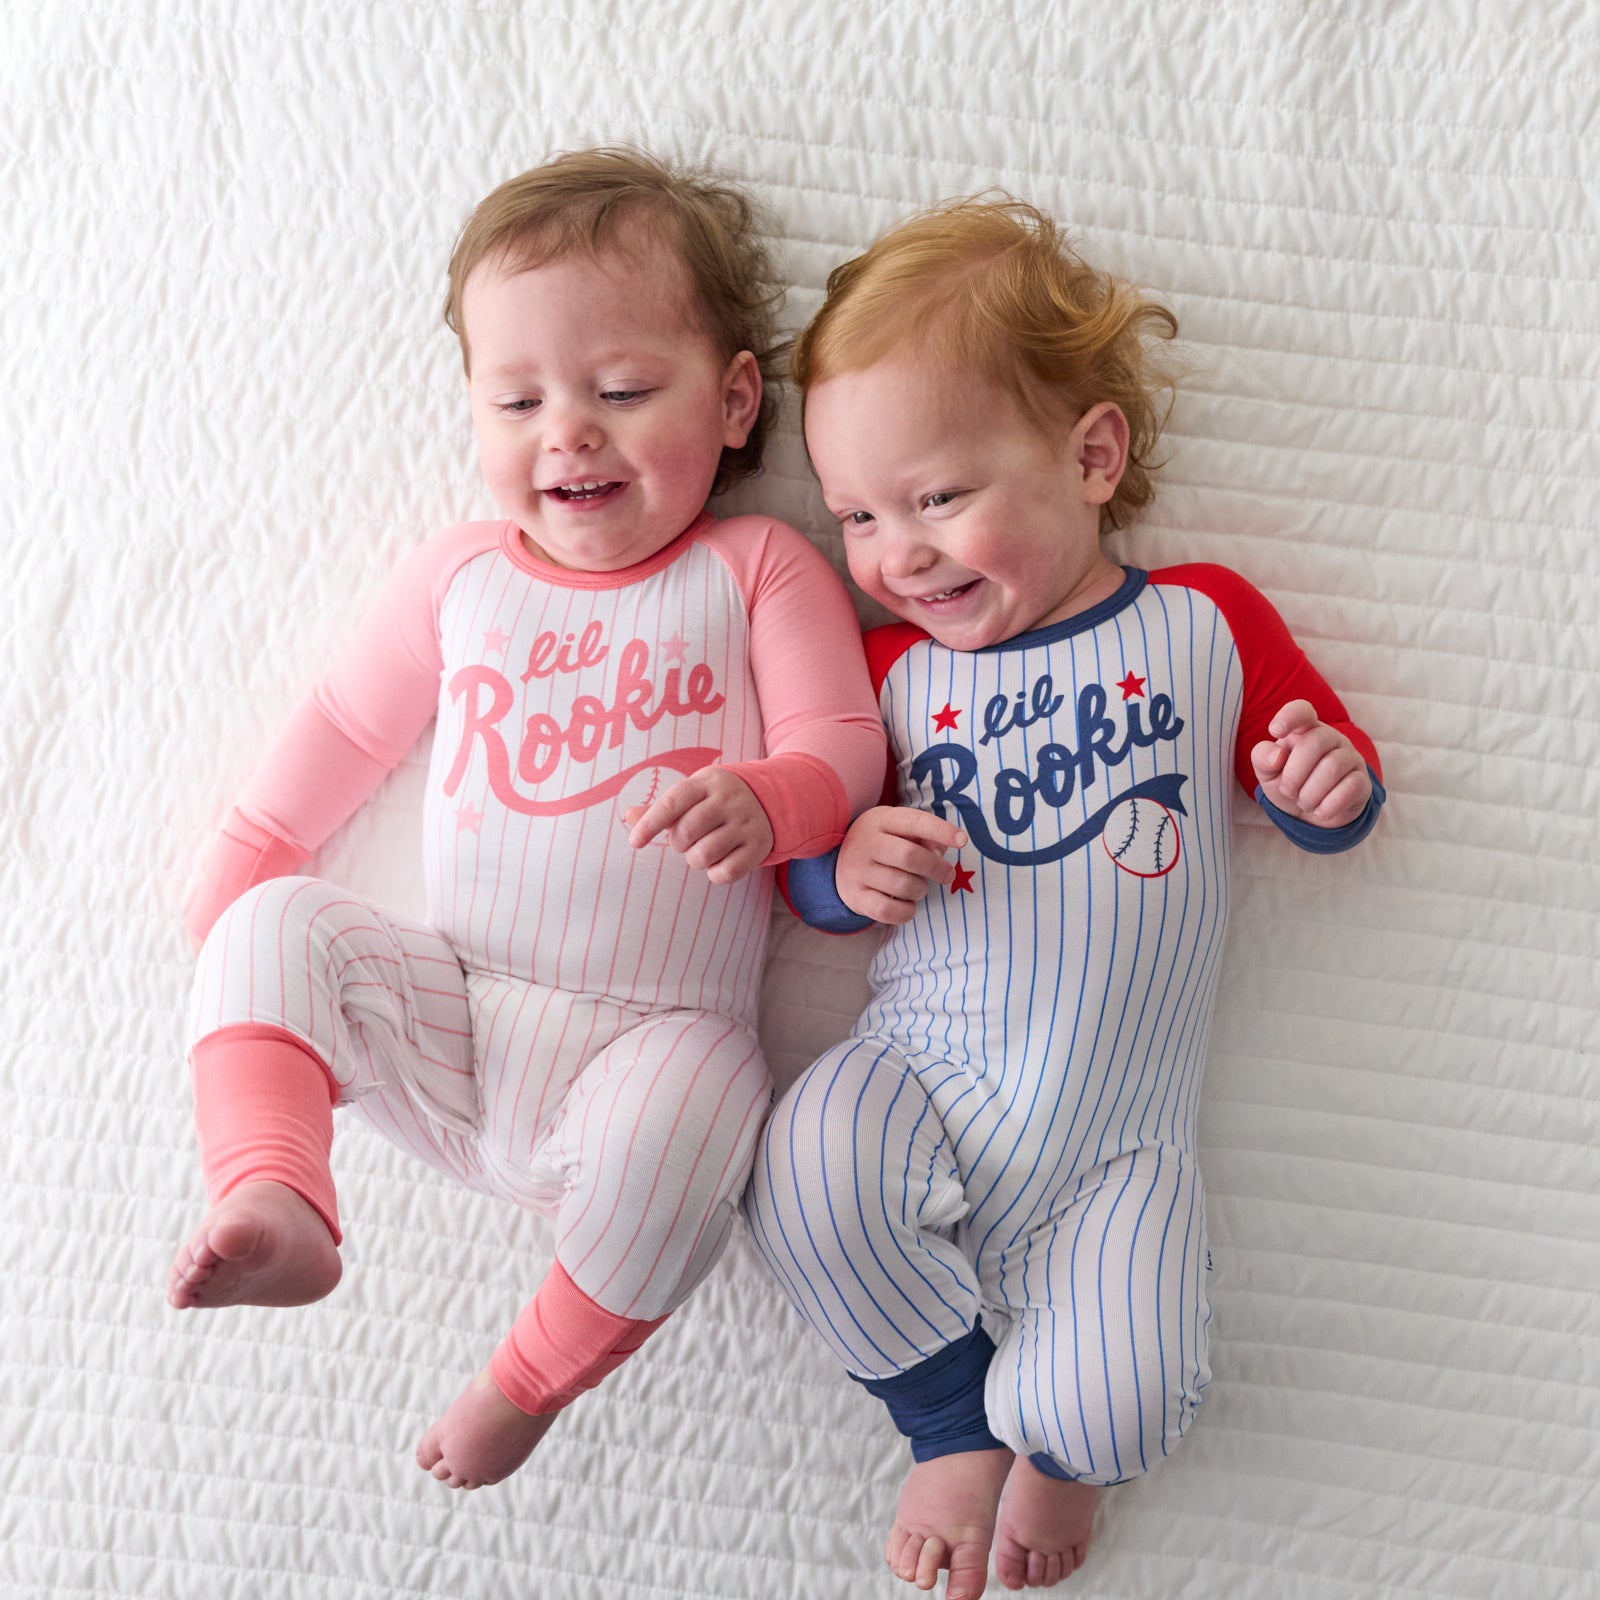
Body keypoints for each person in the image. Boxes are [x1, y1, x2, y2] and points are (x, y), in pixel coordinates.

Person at [165, 147, 886, 1492]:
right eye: (518, 397)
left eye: (621, 390)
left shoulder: (757, 568)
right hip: (454, 1008)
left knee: (706, 1116)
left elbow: (844, 747)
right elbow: (343, 730)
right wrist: (241, 885)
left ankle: (526, 1378)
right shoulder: (463, 577)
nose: (569, 430)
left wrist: (774, 800)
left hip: (646, 1048)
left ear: (737, 401)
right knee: (275, 926)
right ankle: (275, 1191)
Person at [742, 196, 1384, 1597]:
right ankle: (950, 1419)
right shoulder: (886, 667)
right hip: (921, 1073)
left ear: (1093, 455)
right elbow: (805, 851)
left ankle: (1053, 1446)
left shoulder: (1205, 621)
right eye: (856, 513)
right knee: (799, 1166)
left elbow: (1317, 777)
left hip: (1118, 1152)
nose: (897, 552)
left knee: (1124, 1403)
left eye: (938, 497)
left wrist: (1324, 784)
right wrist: (839, 871)